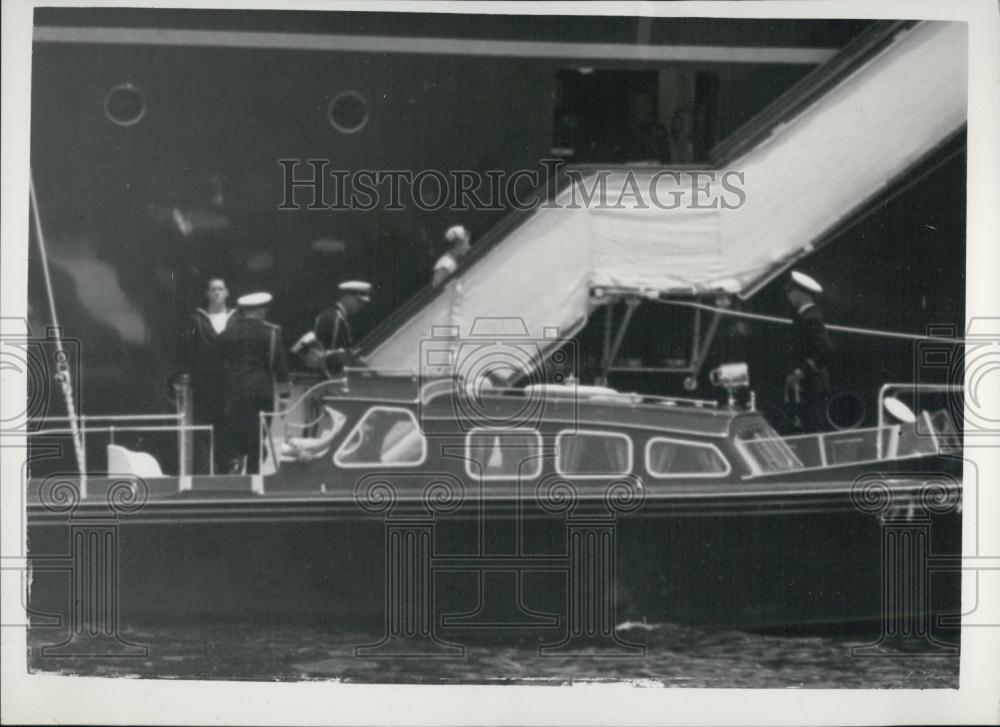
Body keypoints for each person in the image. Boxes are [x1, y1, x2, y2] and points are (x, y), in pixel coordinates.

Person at [222, 292, 289, 474]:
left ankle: (234, 474)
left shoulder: (228, 333)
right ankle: (253, 477)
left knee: (236, 435)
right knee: (257, 438)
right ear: (260, 311)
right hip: (262, 392)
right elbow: (279, 365)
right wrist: (284, 396)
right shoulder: (272, 332)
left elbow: (221, 363)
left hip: (234, 392)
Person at [181, 276, 236, 470]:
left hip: (230, 384)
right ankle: (202, 473)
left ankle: (226, 471)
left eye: (220, 289)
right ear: (207, 293)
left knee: (227, 427)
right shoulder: (197, 320)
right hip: (204, 384)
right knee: (202, 430)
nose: (217, 292)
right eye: (213, 289)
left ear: (227, 292)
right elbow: (190, 351)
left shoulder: (235, 319)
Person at [785, 271, 834, 433]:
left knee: (815, 429)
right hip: (809, 384)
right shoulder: (804, 316)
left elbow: (826, 349)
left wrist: (801, 371)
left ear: (801, 293)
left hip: (814, 384)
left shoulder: (811, 318)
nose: (788, 295)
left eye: (790, 291)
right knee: (809, 427)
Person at [293, 281, 372, 375]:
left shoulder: (337, 316)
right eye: (359, 301)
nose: (361, 306)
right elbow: (331, 355)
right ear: (347, 297)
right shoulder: (334, 318)